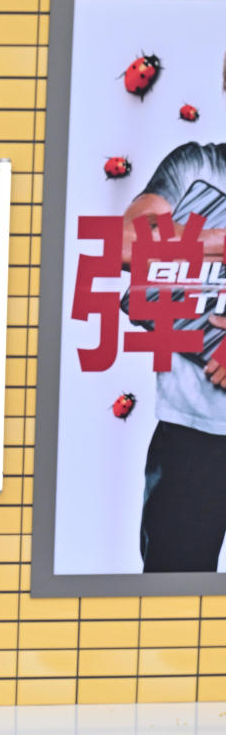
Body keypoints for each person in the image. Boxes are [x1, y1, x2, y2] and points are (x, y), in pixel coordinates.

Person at [122, 111, 226, 572]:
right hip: (192, 438)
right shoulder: (196, 167)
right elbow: (127, 240)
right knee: (170, 603)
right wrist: (212, 241)